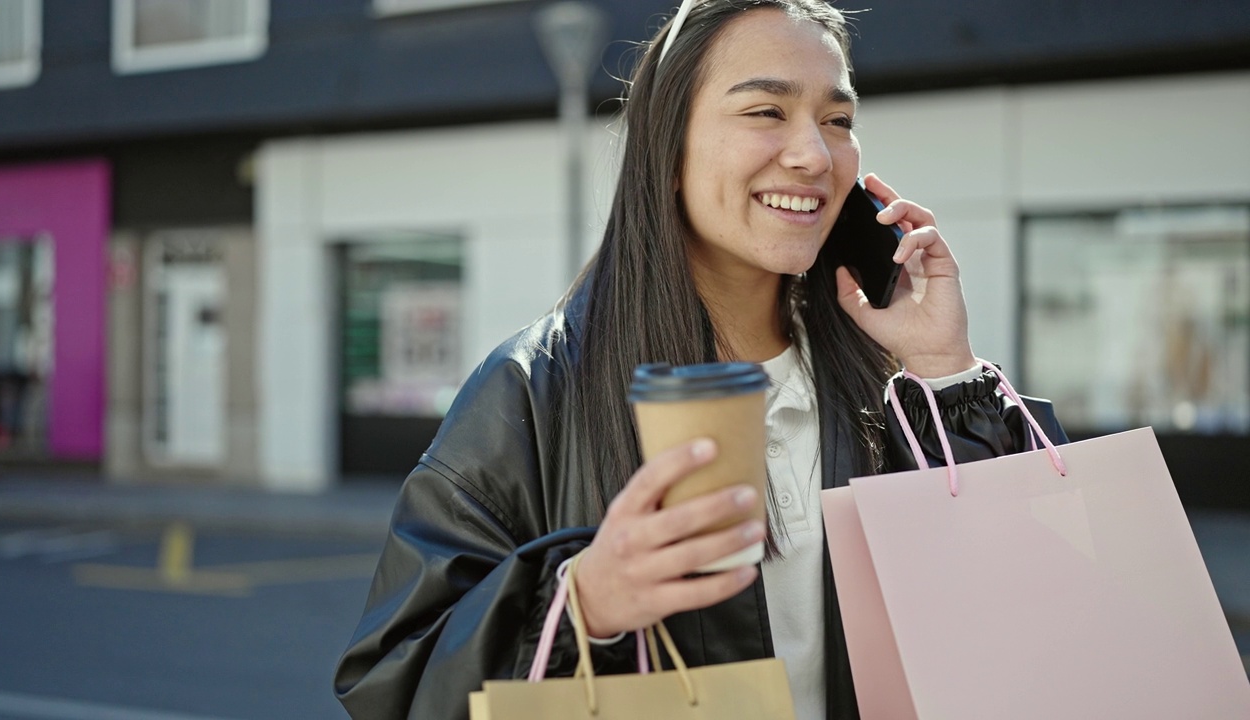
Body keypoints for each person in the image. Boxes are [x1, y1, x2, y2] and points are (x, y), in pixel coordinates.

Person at [334, 1, 1066, 718]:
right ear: (669, 148)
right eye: (765, 112)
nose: (813, 154)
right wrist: (582, 601)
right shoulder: (533, 389)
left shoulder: (889, 375)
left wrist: (947, 370)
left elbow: (1033, 602)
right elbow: (394, 680)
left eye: (837, 120)